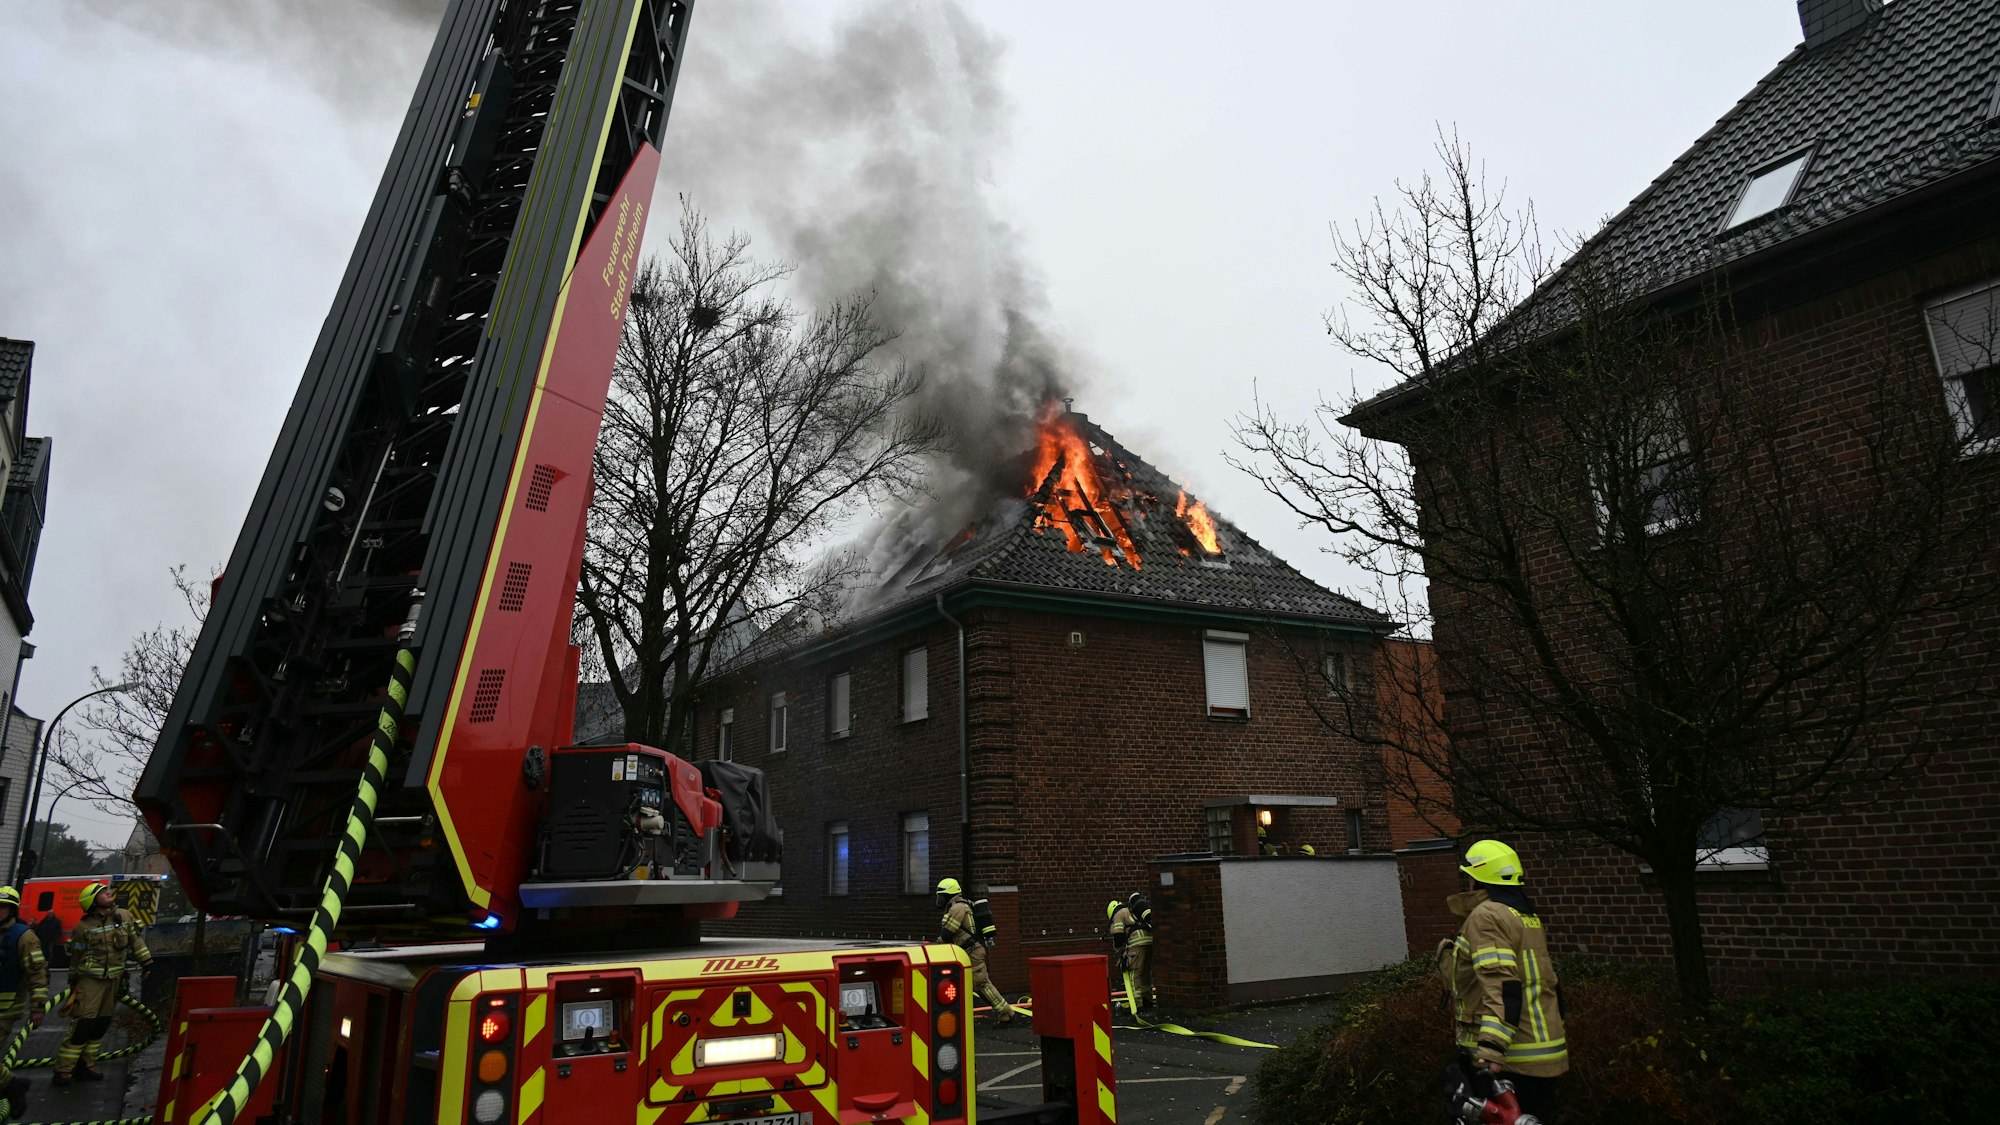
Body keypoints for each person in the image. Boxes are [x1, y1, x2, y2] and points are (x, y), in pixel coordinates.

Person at [1437, 840, 1567, 1122]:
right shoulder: (1524, 916)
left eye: (1469, 875)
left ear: (1478, 878)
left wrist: (1492, 1048)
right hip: (1540, 1053)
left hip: (1510, 1059)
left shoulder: (1487, 916)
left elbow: (1501, 985)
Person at [54, 882, 151, 1086]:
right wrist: (73, 982)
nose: (108, 893)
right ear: (92, 902)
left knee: (101, 1023)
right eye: (102, 893)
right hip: (90, 982)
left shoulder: (124, 916)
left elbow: (135, 941)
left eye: (107, 891)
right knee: (83, 1024)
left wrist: (147, 962)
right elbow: (76, 957)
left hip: (114, 980)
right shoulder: (84, 927)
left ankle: (86, 1066)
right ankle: (63, 1071)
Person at [936, 878, 1012, 1025]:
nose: (939, 899)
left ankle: (1007, 1014)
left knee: (982, 985)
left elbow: (947, 934)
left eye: (941, 895)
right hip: (969, 951)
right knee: (966, 985)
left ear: (948, 894)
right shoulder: (961, 905)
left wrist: (935, 944)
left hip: (972, 952)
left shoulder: (957, 908)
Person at [0, 886, 46, 1112]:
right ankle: (13, 1086)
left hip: (5, 1009)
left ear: (12, 910)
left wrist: (37, 1008)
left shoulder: (24, 937)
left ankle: (12, 1087)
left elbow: (37, 975)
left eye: (3, 908)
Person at [1107, 893, 1155, 1014]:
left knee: (1135, 975)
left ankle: (1138, 1006)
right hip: (1149, 941)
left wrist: (1120, 950)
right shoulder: (1132, 910)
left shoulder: (1118, 914)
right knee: (1145, 974)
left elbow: (1118, 935)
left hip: (1136, 944)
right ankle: (1148, 1001)